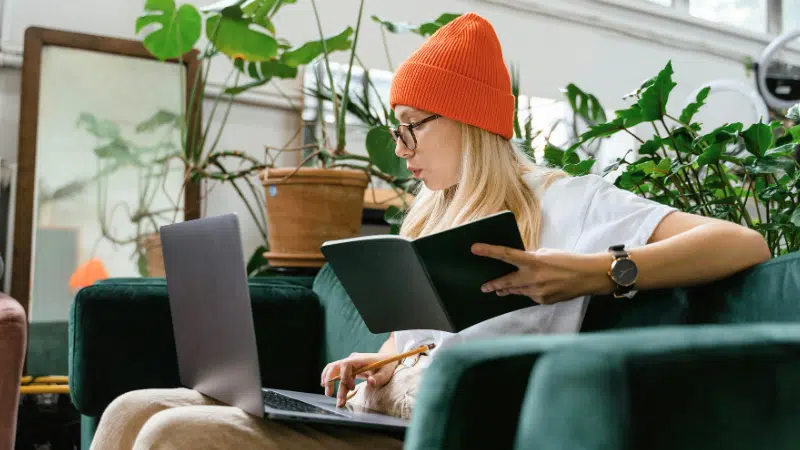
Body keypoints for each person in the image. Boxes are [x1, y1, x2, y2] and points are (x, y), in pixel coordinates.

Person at [89, 12, 770, 450]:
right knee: (128, 410)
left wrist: (595, 272)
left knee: (172, 435)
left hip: (452, 428)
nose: (402, 145)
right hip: (383, 415)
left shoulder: (570, 202)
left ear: (469, 122)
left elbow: (745, 243)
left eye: (413, 124)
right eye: (398, 127)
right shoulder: (429, 214)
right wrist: (376, 362)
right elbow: (414, 345)